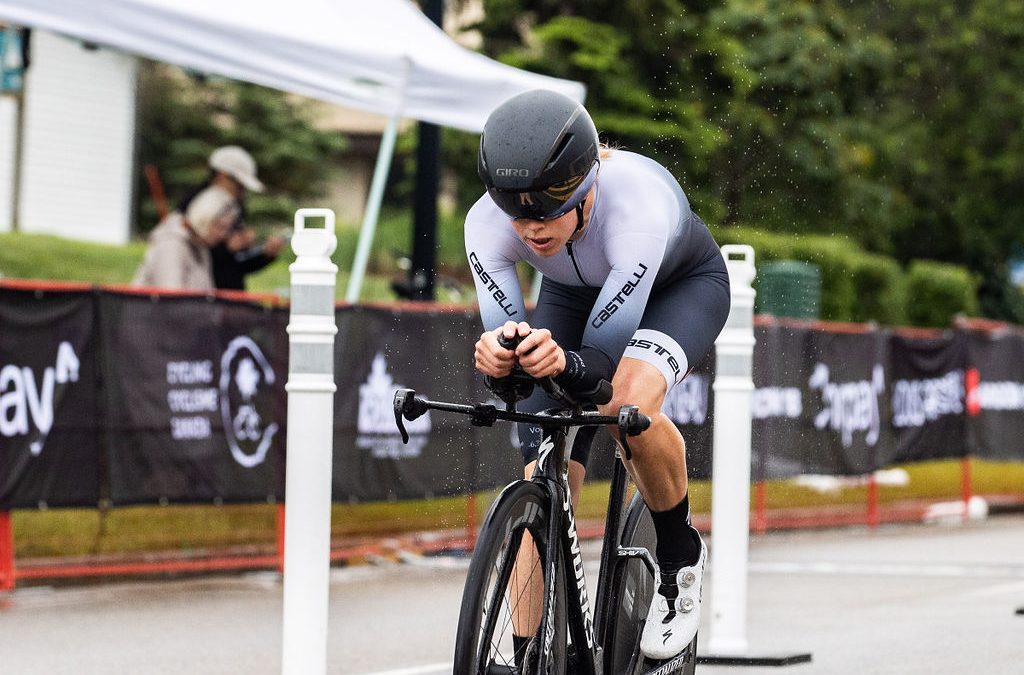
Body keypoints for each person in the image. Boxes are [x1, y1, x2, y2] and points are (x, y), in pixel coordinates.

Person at [466, 89, 731, 661]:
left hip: (677, 288)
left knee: (623, 409)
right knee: (545, 457)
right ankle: (524, 648)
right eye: (518, 213)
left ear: (584, 188)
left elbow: (602, 373)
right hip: (574, 290)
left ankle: (680, 559)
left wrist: (563, 366)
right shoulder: (487, 223)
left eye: (548, 210)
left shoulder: (636, 211)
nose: (532, 228)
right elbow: (514, 361)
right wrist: (501, 359)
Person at [179, 146, 286, 291]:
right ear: (222, 175)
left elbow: (236, 265)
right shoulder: (193, 208)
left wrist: (265, 255)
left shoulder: (235, 208)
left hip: (231, 299)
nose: (242, 192)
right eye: (239, 185)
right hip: (206, 298)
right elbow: (191, 257)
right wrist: (225, 249)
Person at [132, 185, 240, 290]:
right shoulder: (170, 245)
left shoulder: (200, 245)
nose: (224, 235)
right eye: (220, 227)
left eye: (227, 229)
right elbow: (172, 301)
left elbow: (207, 296)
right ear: (204, 219)